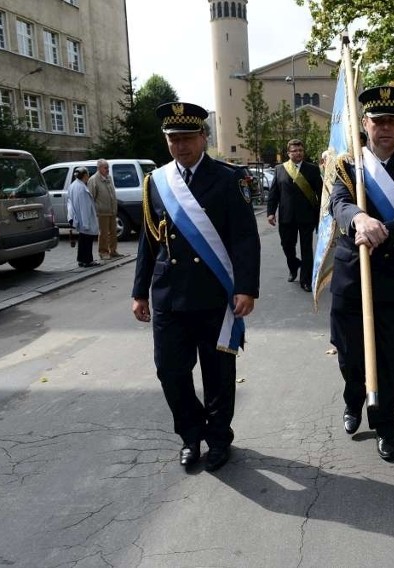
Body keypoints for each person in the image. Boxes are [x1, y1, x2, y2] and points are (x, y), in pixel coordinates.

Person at [131, 101, 260, 472]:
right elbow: (148, 241)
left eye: (188, 137)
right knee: (169, 371)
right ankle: (191, 435)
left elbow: (244, 240)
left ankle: (219, 437)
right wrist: (139, 292)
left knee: (218, 375)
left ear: (204, 137)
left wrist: (246, 288)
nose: (181, 146)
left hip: (215, 295)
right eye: (173, 139)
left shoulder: (229, 178)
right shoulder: (156, 182)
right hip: (169, 296)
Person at [330, 85, 394, 461]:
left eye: (392, 120)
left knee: (388, 359)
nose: (384, 127)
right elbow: (337, 202)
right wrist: (359, 218)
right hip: (351, 276)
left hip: (389, 277)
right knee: (349, 354)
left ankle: (386, 427)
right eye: (377, 120)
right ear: (365, 123)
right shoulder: (346, 164)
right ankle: (354, 399)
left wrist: (381, 230)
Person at [267, 139, 323, 292]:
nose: (298, 153)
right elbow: (274, 193)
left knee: (306, 249)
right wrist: (271, 212)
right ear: (288, 153)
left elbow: (320, 194)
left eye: (300, 150)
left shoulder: (312, 169)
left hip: (307, 216)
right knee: (287, 246)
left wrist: (320, 216)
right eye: (295, 151)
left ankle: (306, 280)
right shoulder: (280, 169)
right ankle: (293, 266)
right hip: (286, 217)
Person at [88, 159, 122, 260]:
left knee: (113, 232)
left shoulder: (109, 178)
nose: (107, 169)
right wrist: (94, 211)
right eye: (105, 167)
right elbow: (91, 197)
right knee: (103, 233)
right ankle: (103, 252)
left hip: (112, 210)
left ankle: (113, 251)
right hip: (102, 212)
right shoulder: (93, 179)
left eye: (108, 167)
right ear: (99, 168)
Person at [68, 167, 100, 268]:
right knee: (87, 240)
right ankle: (87, 260)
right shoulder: (82, 189)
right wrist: (86, 223)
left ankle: (81, 259)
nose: (88, 176)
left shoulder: (73, 185)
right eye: (87, 174)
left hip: (78, 218)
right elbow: (84, 207)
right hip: (84, 219)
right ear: (85, 175)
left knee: (82, 239)